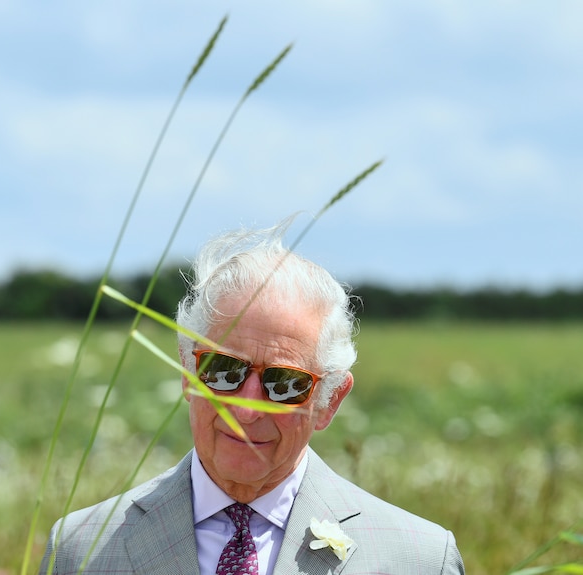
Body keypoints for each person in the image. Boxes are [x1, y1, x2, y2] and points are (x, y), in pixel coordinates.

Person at [39, 219, 465, 574]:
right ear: (188, 371)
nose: (245, 408)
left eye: (284, 383)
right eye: (223, 371)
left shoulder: (420, 558)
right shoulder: (81, 550)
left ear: (330, 401)